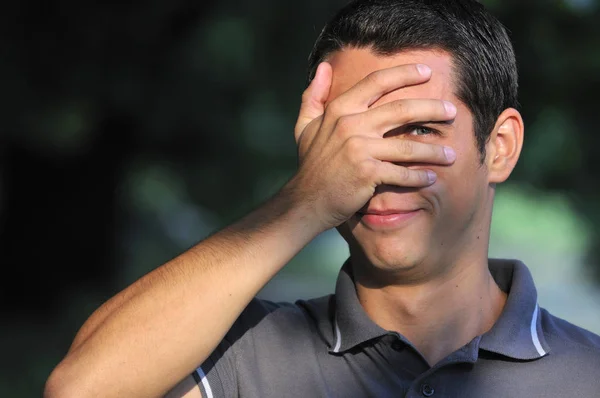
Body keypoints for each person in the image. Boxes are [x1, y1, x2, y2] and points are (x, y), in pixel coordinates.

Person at [45, 0, 600, 397]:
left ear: (498, 148)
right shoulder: (244, 356)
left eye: (418, 130)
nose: (371, 168)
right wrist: (304, 201)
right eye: (347, 134)